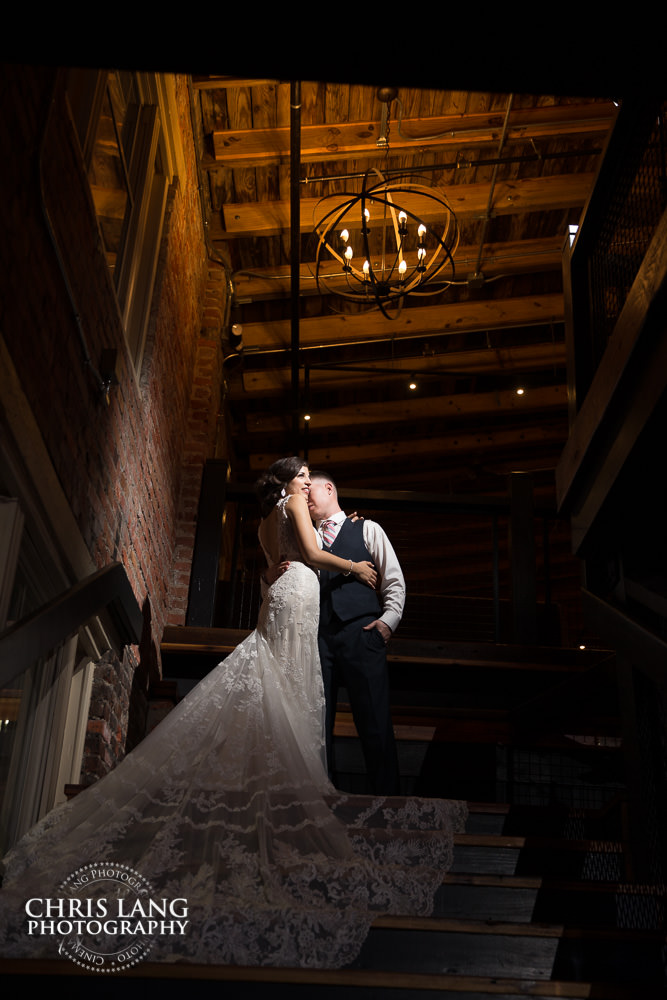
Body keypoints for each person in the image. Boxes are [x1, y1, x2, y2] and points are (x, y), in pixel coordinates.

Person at [0, 456, 466, 970]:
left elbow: (278, 567)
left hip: (312, 612)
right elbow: (311, 551)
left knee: (297, 690)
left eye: (314, 478)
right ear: (291, 479)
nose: (309, 482)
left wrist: (379, 618)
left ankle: (310, 783)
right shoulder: (295, 505)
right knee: (293, 687)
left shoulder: (292, 521)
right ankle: (295, 783)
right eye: (304, 474)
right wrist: (354, 567)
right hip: (303, 607)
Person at [307, 470, 405, 795]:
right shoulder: (307, 539)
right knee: (318, 724)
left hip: (361, 632)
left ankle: (387, 800)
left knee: (374, 720)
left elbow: (393, 578)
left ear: (329, 488)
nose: (305, 497)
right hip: (318, 638)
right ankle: (323, 799)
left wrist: (387, 622)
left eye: (311, 490)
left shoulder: (367, 528)